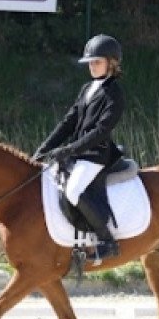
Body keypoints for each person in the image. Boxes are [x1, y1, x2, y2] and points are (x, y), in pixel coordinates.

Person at [33, 34, 125, 262]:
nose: (92, 66)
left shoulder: (114, 93)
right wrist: (43, 149)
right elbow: (68, 122)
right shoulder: (87, 88)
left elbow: (101, 131)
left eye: (97, 62)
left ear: (111, 63)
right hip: (78, 153)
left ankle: (106, 240)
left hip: (95, 155)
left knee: (73, 191)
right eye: (90, 63)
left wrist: (69, 150)